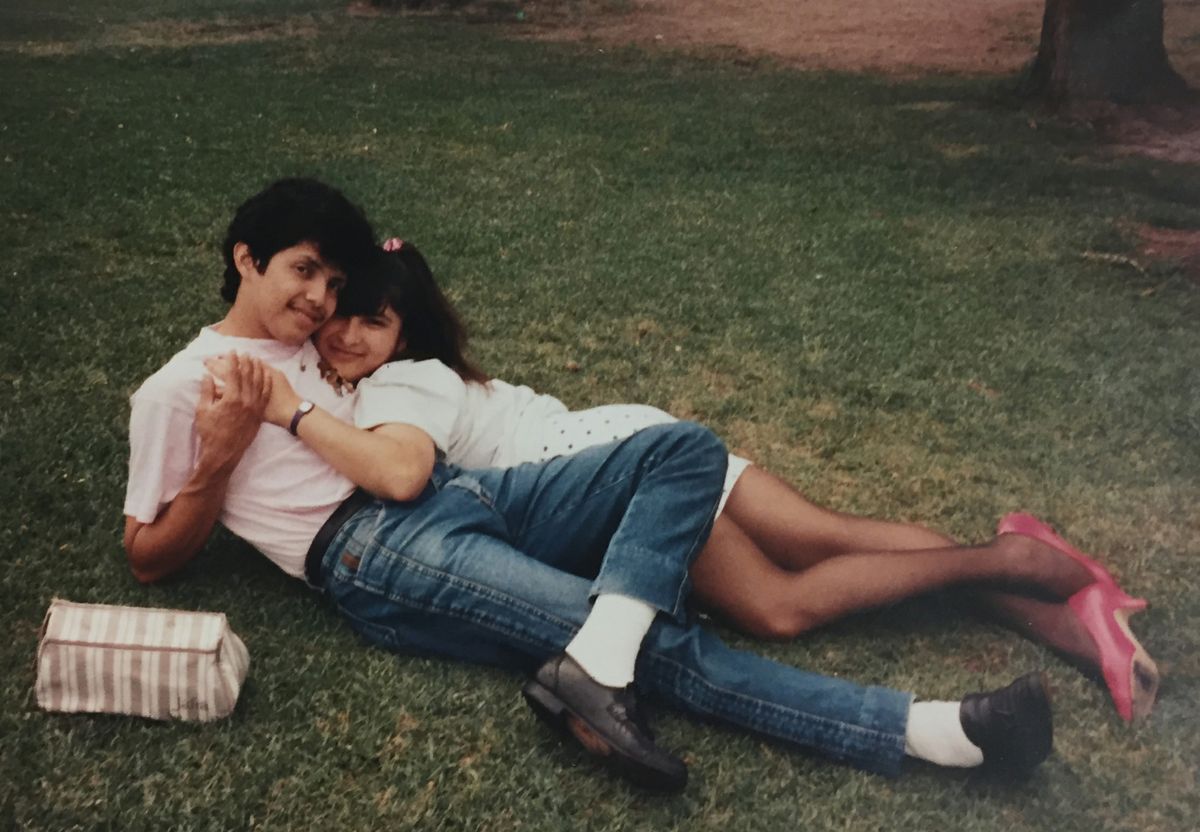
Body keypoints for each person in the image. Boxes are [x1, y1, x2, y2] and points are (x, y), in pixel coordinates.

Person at [126, 178, 1057, 794]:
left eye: (332, 279)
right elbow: (148, 558)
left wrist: (301, 398)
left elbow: (410, 424)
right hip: (376, 550)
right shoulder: (179, 387)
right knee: (670, 646)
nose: (321, 300)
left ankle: (594, 665)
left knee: (680, 447)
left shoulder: (312, 346)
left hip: (463, 494)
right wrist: (218, 459)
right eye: (302, 271)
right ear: (245, 259)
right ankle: (935, 732)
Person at [300, 238, 1159, 724]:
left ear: (403, 329)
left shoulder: (403, 384)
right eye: (339, 322)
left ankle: (1011, 565)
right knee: (835, 535)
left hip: (619, 477)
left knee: (781, 606)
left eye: (370, 324)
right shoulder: (428, 370)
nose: (345, 340)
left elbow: (400, 472)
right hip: (632, 438)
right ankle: (1049, 592)